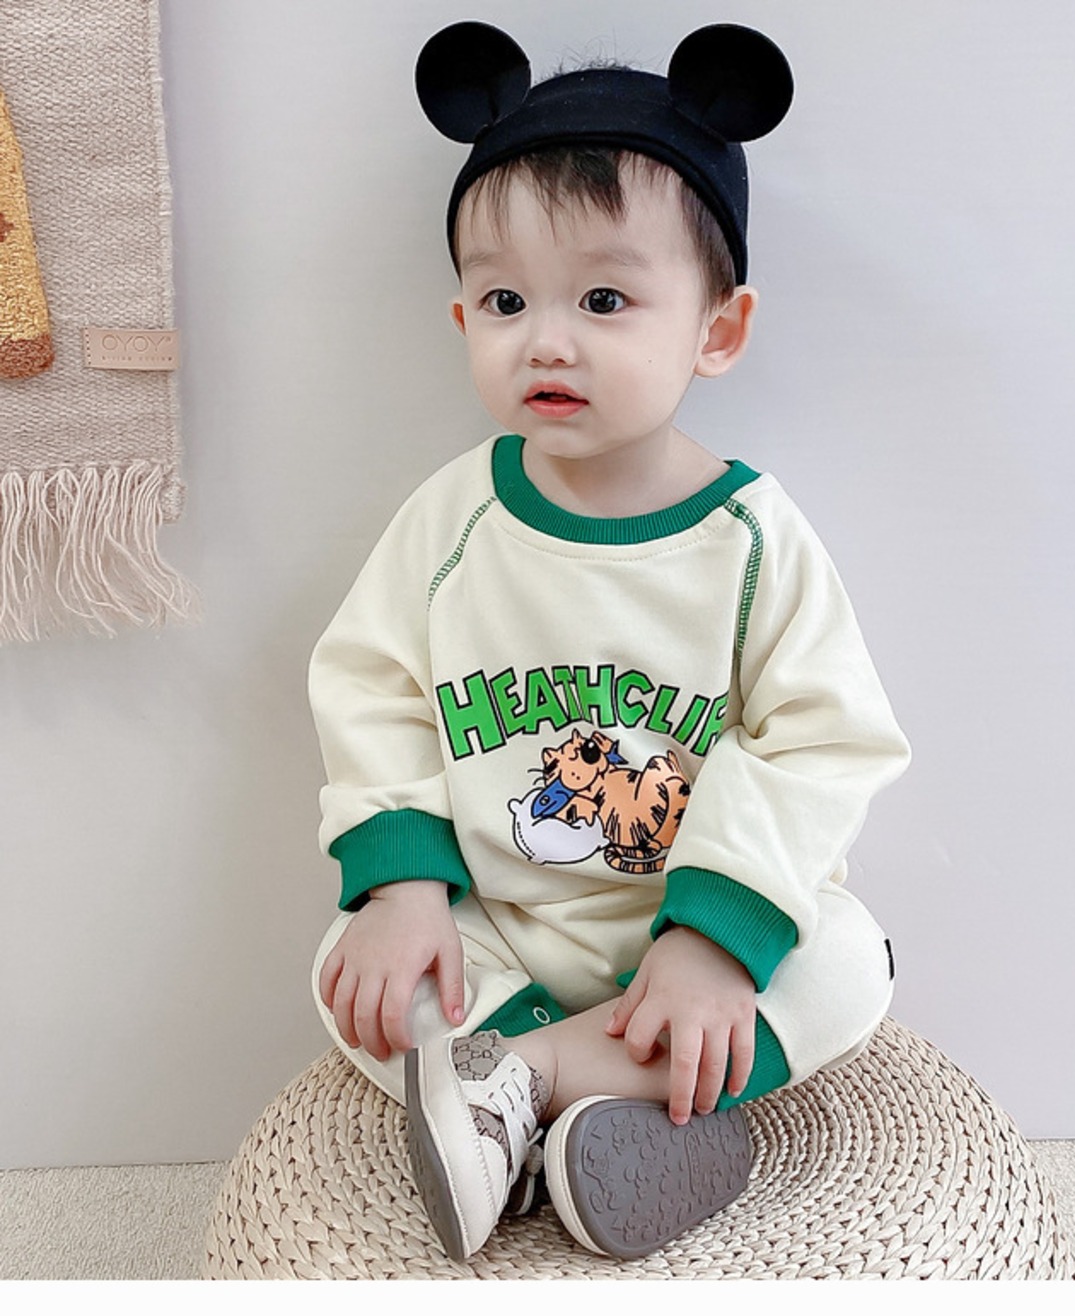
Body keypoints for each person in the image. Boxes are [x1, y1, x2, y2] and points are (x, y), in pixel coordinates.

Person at [308, 21, 911, 1263]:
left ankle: (522, 1085)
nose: (547, 338)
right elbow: (372, 684)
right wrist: (405, 888)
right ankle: (603, 1106)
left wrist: (710, 940)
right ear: (462, 315)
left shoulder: (752, 542)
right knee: (355, 972)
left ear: (715, 330)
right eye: (505, 300)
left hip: (686, 931)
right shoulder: (452, 519)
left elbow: (824, 740)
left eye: (602, 299)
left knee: (851, 960)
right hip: (505, 923)